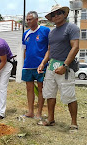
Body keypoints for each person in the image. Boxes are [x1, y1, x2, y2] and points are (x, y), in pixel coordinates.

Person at [37, 4, 80, 132]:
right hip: (51, 67)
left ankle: (74, 123)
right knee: (49, 93)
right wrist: (43, 63)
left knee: (69, 95)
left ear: (65, 14)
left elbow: (75, 47)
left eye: (59, 13)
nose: (56, 16)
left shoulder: (72, 28)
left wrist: (65, 65)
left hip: (65, 67)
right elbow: (49, 50)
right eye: (53, 15)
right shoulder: (52, 32)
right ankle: (50, 119)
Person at [22, 11, 50, 119]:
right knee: (29, 89)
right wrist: (25, 62)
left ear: (36, 19)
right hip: (28, 66)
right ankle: (30, 111)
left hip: (40, 65)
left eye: (30, 19)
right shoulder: (26, 34)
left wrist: (43, 63)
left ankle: (39, 112)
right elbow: (25, 50)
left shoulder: (45, 30)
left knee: (41, 88)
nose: (28, 21)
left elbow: (49, 49)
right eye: (27, 20)